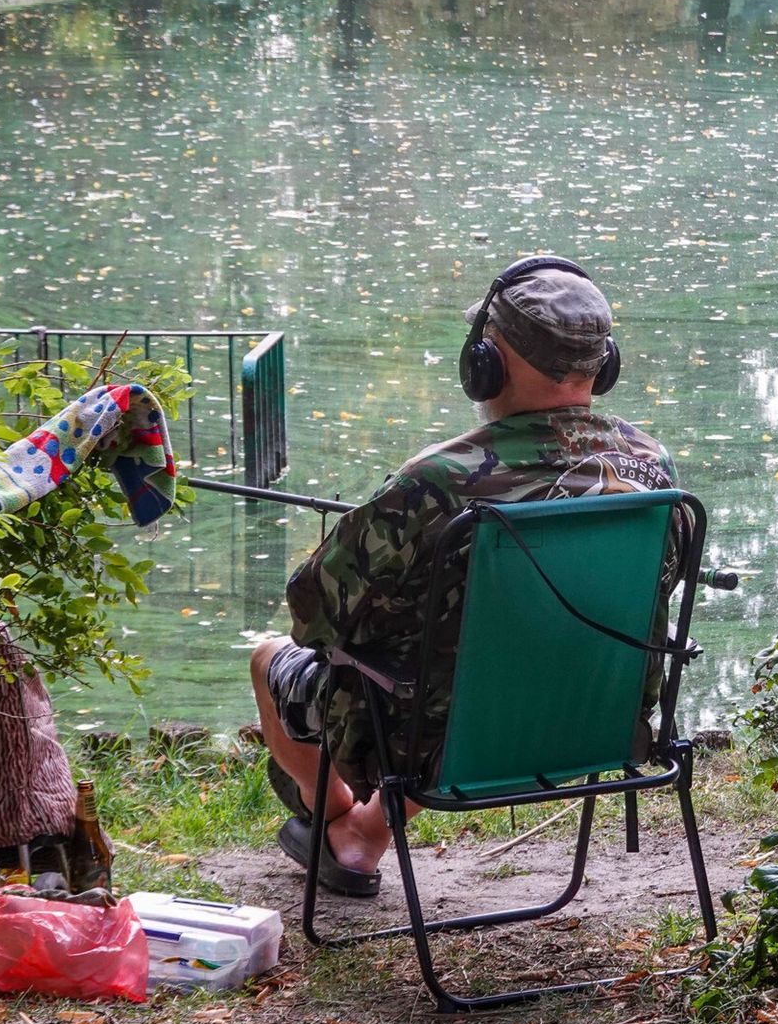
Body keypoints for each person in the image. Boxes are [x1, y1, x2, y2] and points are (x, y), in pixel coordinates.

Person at [248, 257, 678, 896]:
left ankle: (344, 833)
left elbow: (313, 616)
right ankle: (364, 835)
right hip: (598, 722)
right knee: (490, 672)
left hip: (437, 739)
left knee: (269, 658)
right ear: (602, 364)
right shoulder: (653, 469)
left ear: (486, 361)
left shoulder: (437, 480)